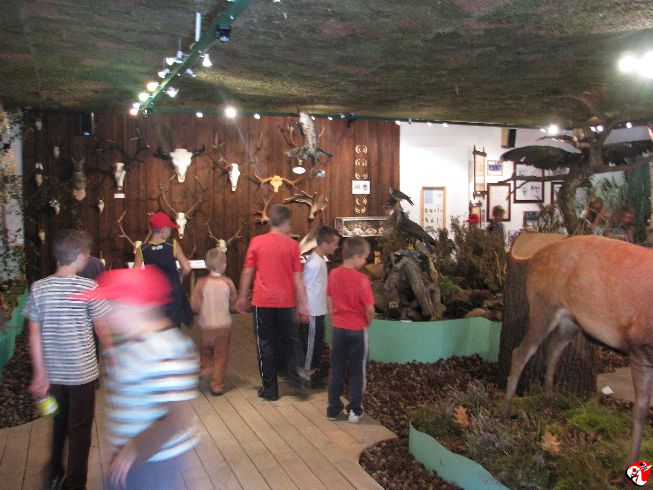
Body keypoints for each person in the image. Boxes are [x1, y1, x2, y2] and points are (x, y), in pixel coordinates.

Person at [72, 266, 199, 490]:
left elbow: (177, 417)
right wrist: (117, 445)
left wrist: (133, 449)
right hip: (130, 459)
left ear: (138, 306)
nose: (107, 312)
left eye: (113, 305)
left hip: (158, 463)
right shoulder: (128, 344)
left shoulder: (166, 349)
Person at [25, 229, 111, 490]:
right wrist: (113, 355)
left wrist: (40, 373)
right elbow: (101, 328)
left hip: (53, 375)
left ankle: (54, 472)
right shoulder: (89, 288)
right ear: (81, 257)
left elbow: (34, 334)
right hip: (82, 375)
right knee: (80, 430)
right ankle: (74, 484)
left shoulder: (39, 288)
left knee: (59, 422)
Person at [236, 204, 309, 401]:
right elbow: (297, 277)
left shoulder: (257, 242)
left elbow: (248, 271)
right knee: (292, 341)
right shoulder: (292, 245)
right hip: (287, 302)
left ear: (270, 221)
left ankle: (270, 389)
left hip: (263, 302)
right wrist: (302, 303)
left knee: (265, 344)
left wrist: (242, 296)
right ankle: (298, 380)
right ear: (285, 222)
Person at [326, 237, 375, 424]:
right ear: (356, 256)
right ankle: (355, 409)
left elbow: (329, 299)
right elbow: (370, 309)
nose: (365, 261)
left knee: (336, 368)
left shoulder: (333, 274)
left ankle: (333, 408)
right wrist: (367, 322)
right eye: (364, 257)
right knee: (357, 371)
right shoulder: (362, 279)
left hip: (338, 329)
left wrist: (335, 318)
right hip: (357, 330)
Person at [191, 248, 237, 396]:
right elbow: (233, 302)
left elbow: (194, 305)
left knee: (205, 351)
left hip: (206, 326)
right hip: (223, 326)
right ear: (224, 265)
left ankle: (205, 367)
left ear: (206, 265)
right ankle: (217, 385)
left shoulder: (201, 283)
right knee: (221, 356)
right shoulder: (228, 282)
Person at [134, 211, 193, 327]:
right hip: (173, 293)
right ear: (164, 229)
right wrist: (180, 276)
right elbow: (187, 268)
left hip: (154, 295)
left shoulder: (142, 249)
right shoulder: (173, 245)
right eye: (170, 228)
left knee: (156, 326)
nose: (170, 232)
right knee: (173, 326)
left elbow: (135, 274)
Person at [300, 226, 340, 385]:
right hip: (312, 312)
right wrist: (304, 309)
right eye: (335, 244)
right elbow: (304, 286)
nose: (337, 247)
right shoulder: (314, 264)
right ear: (324, 244)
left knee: (316, 344)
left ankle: (310, 373)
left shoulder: (320, 262)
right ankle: (305, 376)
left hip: (318, 310)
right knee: (311, 345)